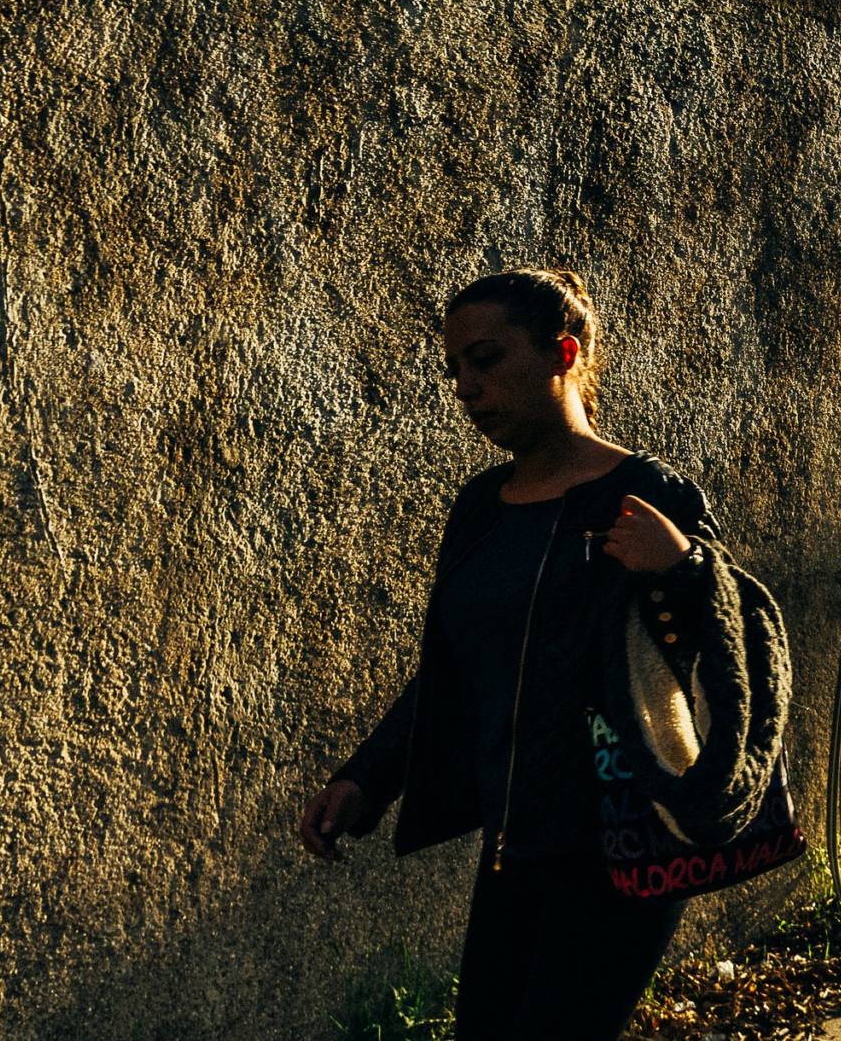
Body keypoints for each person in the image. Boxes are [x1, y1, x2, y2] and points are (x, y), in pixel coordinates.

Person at [296, 269, 724, 1039]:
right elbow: (453, 669)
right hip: (514, 848)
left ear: (563, 353)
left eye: (486, 360)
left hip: (623, 846)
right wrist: (365, 780)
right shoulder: (479, 509)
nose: (465, 386)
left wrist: (685, 567)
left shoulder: (649, 494)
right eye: (454, 368)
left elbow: (734, 655)